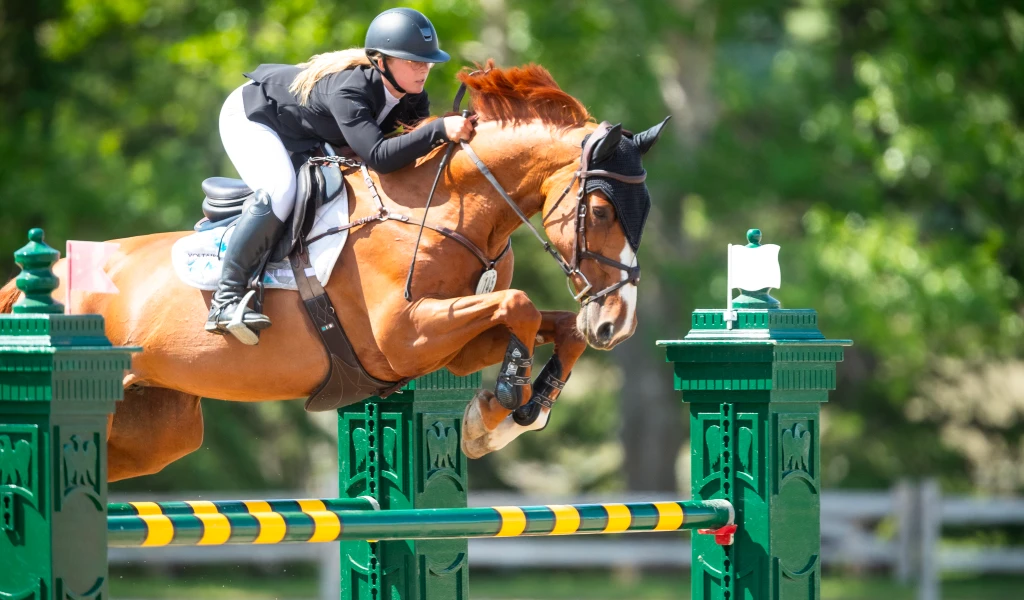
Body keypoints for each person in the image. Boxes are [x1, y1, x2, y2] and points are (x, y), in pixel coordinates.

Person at [207, 7, 476, 344]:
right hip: (253, 117)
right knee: (281, 190)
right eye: (413, 61)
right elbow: (380, 157)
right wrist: (439, 128)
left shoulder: (413, 98)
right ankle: (226, 299)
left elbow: (406, 156)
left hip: (307, 133)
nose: (424, 69)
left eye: (427, 61)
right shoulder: (350, 92)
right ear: (381, 62)